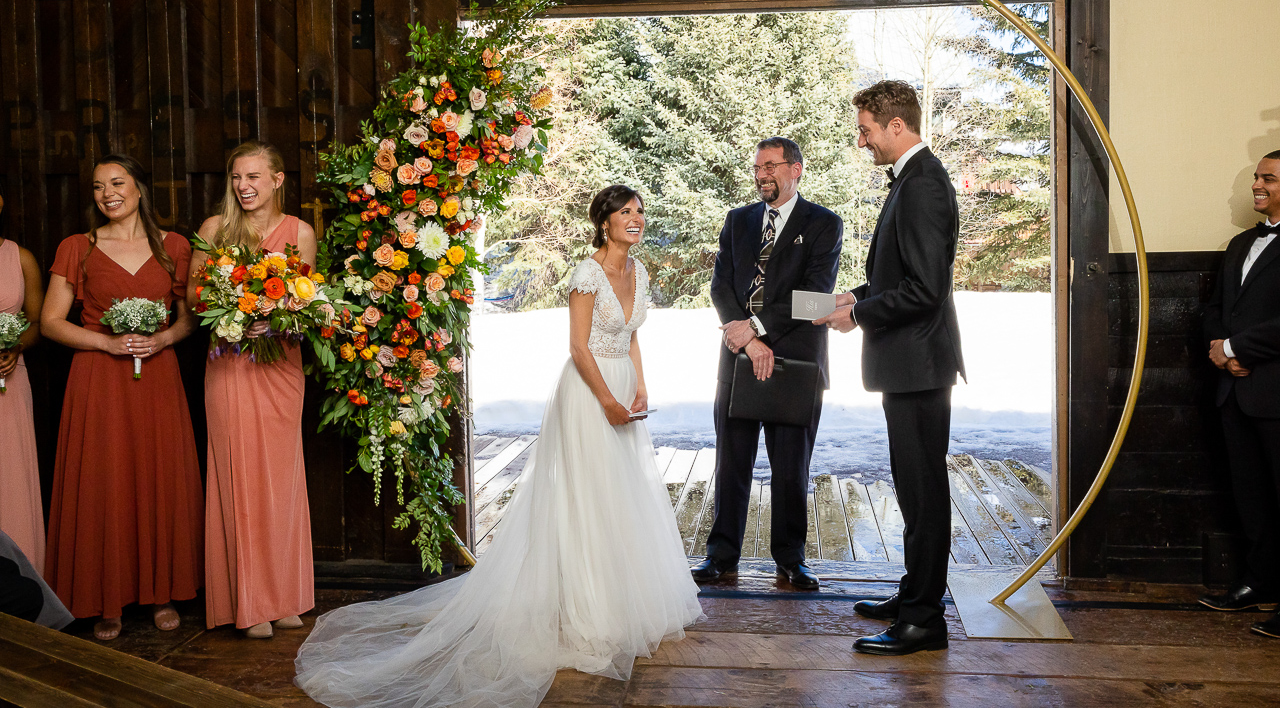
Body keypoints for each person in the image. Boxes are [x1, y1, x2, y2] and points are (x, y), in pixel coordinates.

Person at [295, 185, 702, 708]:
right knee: (587, 497)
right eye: (626, 212)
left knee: (623, 496)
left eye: (640, 212)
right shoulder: (587, 274)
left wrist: (641, 385)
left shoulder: (640, 272)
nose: (636, 219)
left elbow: (631, 336)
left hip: (624, 386)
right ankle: (586, 609)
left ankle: (622, 602)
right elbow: (579, 347)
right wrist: (606, 400)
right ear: (604, 222)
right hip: (588, 393)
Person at [816, 81, 965, 655]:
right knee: (913, 490)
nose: (862, 142)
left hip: (919, 366)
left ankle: (924, 621)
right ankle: (913, 594)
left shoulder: (924, 184)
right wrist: (853, 299)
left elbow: (926, 290)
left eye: (867, 130)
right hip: (909, 365)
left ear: (896, 126)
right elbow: (898, 278)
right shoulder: (913, 179)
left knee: (924, 494)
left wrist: (861, 314)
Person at [41, 154, 203, 641]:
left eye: (117, 183)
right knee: (103, 480)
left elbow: (190, 316)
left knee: (158, 475)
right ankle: (103, 597)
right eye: (97, 186)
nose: (107, 193)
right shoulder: (78, 247)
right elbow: (50, 321)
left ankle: (161, 593)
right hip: (97, 379)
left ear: (138, 189)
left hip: (158, 377)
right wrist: (107, 343)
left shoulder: (173, 245)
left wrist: (165, 339)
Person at [694, 137, 843, 590]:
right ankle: (721, 555)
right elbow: (721, 286)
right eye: (758, 167)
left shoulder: (824, 224)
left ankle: (790, 559)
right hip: (739, 358)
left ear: (796, 169)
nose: (762, 175)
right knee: (732, 461)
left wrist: (756, 329)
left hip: (794, 362)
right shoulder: (737, 221)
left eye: (772, 166)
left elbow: (815, 297)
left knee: (791, 467)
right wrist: (746, 339)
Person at [190, 141, 317, 639]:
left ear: (278, 180)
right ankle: (249, 601)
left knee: (281, 480)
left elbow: (306, 298)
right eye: (237, 177)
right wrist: (234, 314)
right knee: (240, 475)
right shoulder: (214, 230)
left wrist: (277, 318)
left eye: (254, 177)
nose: (243, 186)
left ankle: (285, 595)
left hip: (280, 364)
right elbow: (195, 296)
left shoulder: (300, 233)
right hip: (230, 365)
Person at [1200, 150, 1280, 639]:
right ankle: (1261, 581)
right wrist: (1220, 350)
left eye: (1268, 178)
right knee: (1251, 499)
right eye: (1256, 177)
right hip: (1234, 391)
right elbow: (1216, 308)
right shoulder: (1238, 244)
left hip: (1276, 392)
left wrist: (1238, 346)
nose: (1257, 185)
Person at [0, 191, 45, 571]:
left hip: (8, 383)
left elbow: (37, 322)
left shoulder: (20, 257)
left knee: (11, 480)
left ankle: (22, 582)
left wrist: (14, 347)